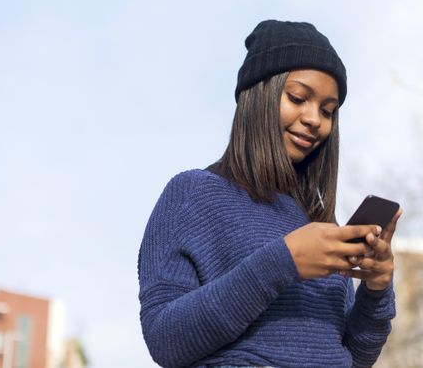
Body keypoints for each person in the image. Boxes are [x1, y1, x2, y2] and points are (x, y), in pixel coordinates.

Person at [137, 19, 402, 368]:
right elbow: (166, 341)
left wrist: (376, 290)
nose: (315, 120)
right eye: (297, 98)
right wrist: (284, 261)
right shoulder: (191, 194)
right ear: (257, 95)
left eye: (328, 111)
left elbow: (352, 358)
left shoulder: (315, 221)